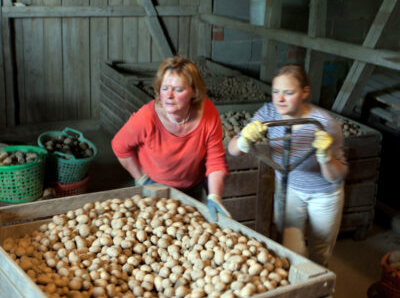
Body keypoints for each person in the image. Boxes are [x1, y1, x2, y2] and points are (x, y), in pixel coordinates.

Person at [228, 64, 348, 267]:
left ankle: (318, 289)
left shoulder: (324, 124)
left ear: (304, 92)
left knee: (320, 252)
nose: (280, 99)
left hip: (324, 194)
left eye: (288, 93)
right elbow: (233, 149)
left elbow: (337, 175)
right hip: (290, 190)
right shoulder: (268, 114)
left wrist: (325, 156)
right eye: (276, 92)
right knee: (293, 251)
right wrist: (244, 140)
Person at [111, 56, 231, 222]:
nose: (169, 95)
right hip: (154, 186)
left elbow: (215, 159)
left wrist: (214, 196)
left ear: (194, 92)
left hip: (191, 187)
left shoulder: (208, 113)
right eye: (165, 88)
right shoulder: (147, 117)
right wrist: (141, 178)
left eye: (178, 90)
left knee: (188, 230)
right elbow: (119, 145)